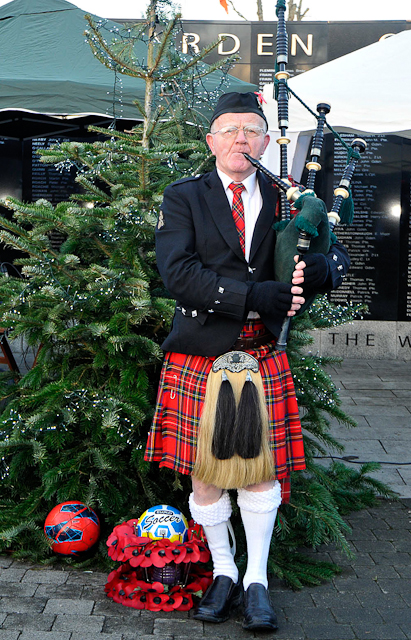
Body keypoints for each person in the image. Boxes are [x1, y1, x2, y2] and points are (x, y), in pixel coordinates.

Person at [144, 91, 349, 631]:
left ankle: (256, 579)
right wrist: (251, 296)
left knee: (260, 476)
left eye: (252, 129)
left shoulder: (289, 198)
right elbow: (178, 274)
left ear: (265, 140)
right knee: (205, 477)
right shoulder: (184, 196)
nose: (242, 137)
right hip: (201, 352)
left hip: (261, 356)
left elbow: (333, 254)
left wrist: (322, 270)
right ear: (210, 140)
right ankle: (224, 570)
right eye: (229, 128)